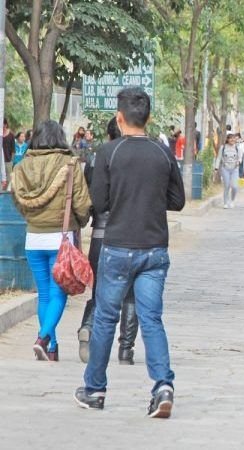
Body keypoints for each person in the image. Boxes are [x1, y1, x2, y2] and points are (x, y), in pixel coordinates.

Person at [75, 87, 185, 418]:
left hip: (118, 246)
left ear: (119, 118)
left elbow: (101, 202)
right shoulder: (163, 152)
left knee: (106, 317)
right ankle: (163, 387)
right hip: (154, 249)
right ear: (148, 118)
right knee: (151, 318)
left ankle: (94, 389)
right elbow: (177, 200)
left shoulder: (109, 152)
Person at [12, 120, 92, 361]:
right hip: (61, 239)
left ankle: (52, 348)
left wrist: (33, 218)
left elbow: (17, 201)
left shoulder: (22, 166)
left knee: (44, 294)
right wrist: (81, 221)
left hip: (33, 238)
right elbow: (82, 203)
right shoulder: (69, 164)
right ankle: (43, 337)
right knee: (59, 293)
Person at [77, 117, 139, 365]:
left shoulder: (95, 158)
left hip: (100, 234)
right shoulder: (134, 158)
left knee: (100, 290)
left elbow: (90, 198)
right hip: (128, 234)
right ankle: (125, 350)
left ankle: (88, 326)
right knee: (130, 294)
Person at [215, 132, 242, 209]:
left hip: (234, 169)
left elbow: (240, 158)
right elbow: (219, 158)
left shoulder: (237, 148)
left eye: (234, 138)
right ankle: (225, 202)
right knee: (226, 186)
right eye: (231, 138)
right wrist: (216, 168)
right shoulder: (223, 147)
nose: (232, 140)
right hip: (225, 169)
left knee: (234, 186)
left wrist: (238, 161)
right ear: (227, 139)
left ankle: (232, 200)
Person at [3, 119, 15, 189]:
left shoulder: (11, 135)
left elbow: (13, 149)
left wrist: (12, 161)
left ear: (6, 124)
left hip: (8, 160)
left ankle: (6, 193)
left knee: (8, 178)